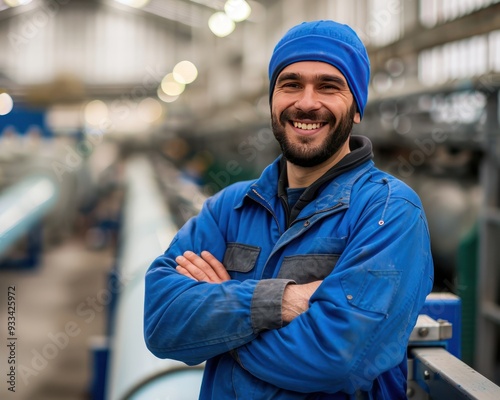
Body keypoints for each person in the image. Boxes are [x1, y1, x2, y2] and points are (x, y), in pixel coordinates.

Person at [144, 19, 434, 399]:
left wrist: (221, 321)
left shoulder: (390, 212)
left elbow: (340, 360)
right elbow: (163, 321)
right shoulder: (229, 208)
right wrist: (281, 302)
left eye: (329, 86)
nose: (307, 102)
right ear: (273, 100)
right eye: (291, 84)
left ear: (357, 107)